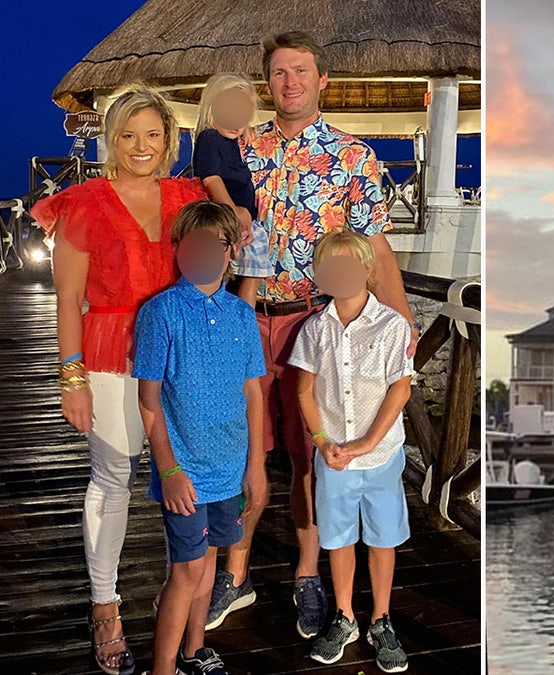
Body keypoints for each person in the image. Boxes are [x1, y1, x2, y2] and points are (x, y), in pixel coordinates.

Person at [205, 31, 420, 639]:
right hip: (246, 317)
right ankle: (236, 573)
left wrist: (401, 326)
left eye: (301, 71)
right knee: (242, 452)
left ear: (323, 80)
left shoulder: (353, 157)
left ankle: (306, 575)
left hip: (312, 320)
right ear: (265, 83)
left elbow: (373, 249)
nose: (289, 82)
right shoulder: (238, 147)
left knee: (308, 457)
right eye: (277, 73)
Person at [30, 84, 218, 675]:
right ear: (111, 139)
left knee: (187, 471)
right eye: (128, 135)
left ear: (171, 139)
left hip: (181, 355)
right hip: (110, 354)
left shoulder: (189, 196)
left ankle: (187, 599)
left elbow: (236, 237)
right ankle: (105, 605)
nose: (141, 146)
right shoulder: (81, 202)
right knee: (113, 474)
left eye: (153, 134)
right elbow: (67, 301)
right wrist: (71, 377)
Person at [133, 201, 266, 675]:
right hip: (184, 473)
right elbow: (149, 400)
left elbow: (254, 394)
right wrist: (168, 470)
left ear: (231, 253)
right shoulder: (160, 313)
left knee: (209, 565)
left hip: (231, 471)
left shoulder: (242, 316)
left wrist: (256, 468)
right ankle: (163, 667)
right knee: (185, 571)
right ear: (178, 250)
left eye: (216, 245)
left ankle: (195, 651)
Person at [290, 230, 414, 673]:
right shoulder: (314, 328)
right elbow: (305, 388)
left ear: (366, 270)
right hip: (334, 458)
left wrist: (367, 442)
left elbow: (400, 388)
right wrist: (323, 441)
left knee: (382, 538)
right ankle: (344, 614)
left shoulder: (393, 325)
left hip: (380, 457)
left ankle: (381, 618)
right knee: (339, 538)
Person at [191, 72, 265, 306]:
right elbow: (211, 179)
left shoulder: (232, 143)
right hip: (227, 220)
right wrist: (233, 210)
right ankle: (244, 318)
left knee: (247, 272)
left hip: (240, 221)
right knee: (250, 271)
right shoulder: (210, 139)